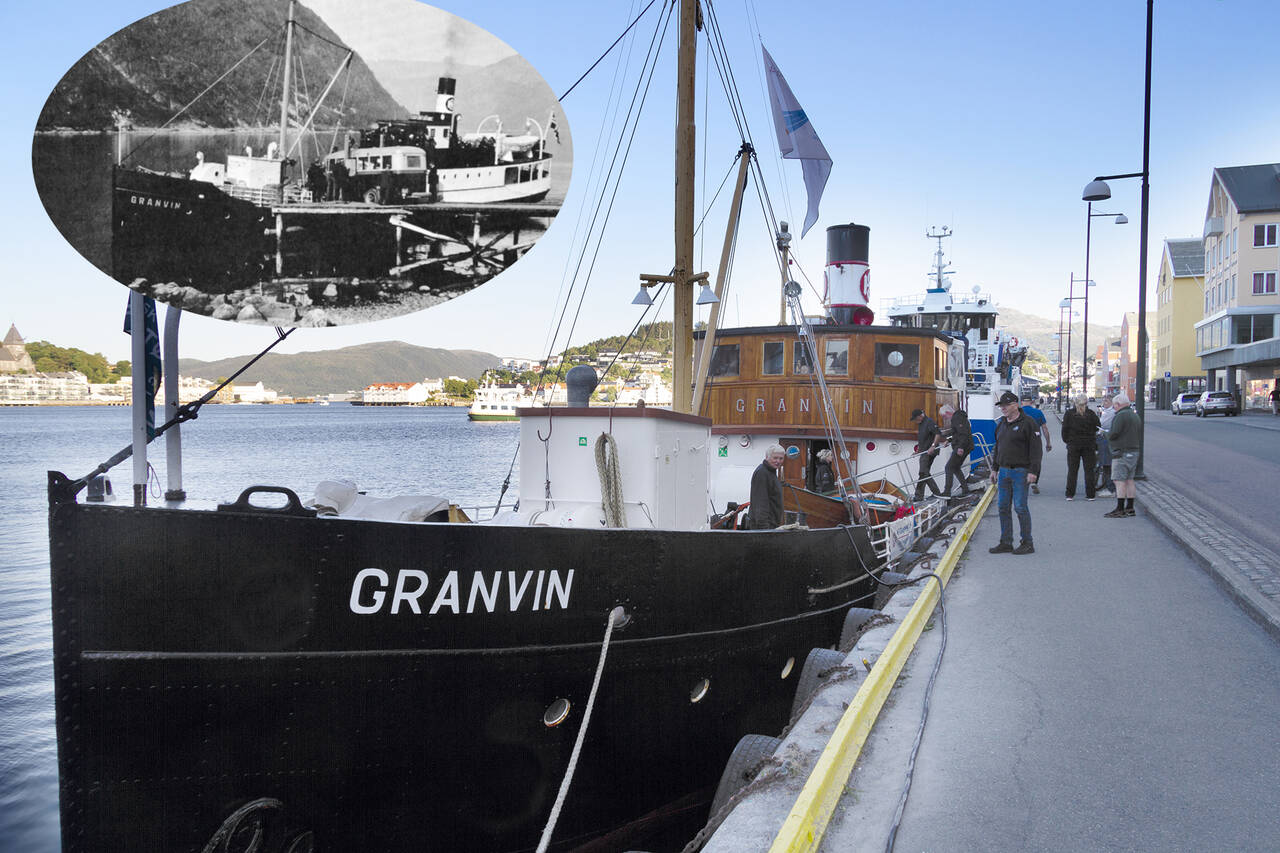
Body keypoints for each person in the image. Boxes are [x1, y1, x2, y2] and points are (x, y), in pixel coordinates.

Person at [988, 391, 1042, 555]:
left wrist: (1033, 471)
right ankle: (1006, 542)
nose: (1003, 409)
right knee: (1003, 507)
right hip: (1004, 471)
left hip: (1021, 471)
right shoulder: (1002, 424)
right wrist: (995, 468)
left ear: (1015, 405)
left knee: (1020, 507)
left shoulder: (1028, 423)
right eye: (1001, 406)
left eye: (1006, 406)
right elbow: (998, 447)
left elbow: (1036, 450)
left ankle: (1027, 542)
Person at [1105, 392, 1141, 518]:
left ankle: (1120, 508)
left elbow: (1114, 433)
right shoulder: (1134, 415)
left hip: (1122, 452)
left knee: (1119, 480)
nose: (1113, 408)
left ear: (1118, 404)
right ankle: (1130, 508)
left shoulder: (1120, 416)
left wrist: (1104, 434)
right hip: (1134, 451)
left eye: (1114, 405)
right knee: (1130, 480)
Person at [1060, 394, 1100, 501]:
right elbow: (1097, 426)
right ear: (1086, 403)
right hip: (1089, 445)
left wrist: (1067, 441)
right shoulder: (1091, 414)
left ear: (1075, 402)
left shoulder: (1069, 414)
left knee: (1072, 470)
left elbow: (1064, 430)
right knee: (1089, 470)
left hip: (1073, 445)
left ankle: (1070, 494)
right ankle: (1090, 494)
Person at [909, 409, 945, 501]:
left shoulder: (929, 422)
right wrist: (918, 451)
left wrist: (933, 446)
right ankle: (920, 496)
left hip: (929, 452)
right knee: (924, 473)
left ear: (920, 416)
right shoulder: (921, 424)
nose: (916, 421)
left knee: (923, 472)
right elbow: (923, 439)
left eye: (916, 419)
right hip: (924, 451)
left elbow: (938, 434)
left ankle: (935, 493)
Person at [939, 403, 973, 499]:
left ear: (948, 412)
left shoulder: (957, 418)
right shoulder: (959, 417)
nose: (945, 419)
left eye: (944, 416)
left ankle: (947, 492)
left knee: (948, 467)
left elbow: (963, 434)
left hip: (962, 447)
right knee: (956, 467)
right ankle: (965, 489)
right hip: (965, 446)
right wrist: (949, 440)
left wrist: (960, 447)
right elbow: (957, 434)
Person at [747, 444, 785, 529]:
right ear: (767, 457)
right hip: (763, 527)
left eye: (781, 458)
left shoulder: (771, 472)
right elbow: (760, 503)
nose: (778, 461)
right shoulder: (762, 473)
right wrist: (764, 529)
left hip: (771, 524)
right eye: (775, 458)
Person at [1019, 396, 1051, 493]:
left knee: (1021, 461)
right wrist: (1048, 443)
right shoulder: (1038, 412)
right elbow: (1045, 428)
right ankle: (1034, 482)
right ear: (1032, 402)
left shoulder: (1018, 412)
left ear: (1021, 402)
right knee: (1036, 460)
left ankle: (1022, 482)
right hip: (1035, 441)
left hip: (1020, 441)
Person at [1096, 394, 1115, 496]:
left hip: (1106, 440)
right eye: (1103, 401)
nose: (1104, 403)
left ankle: (1110, 489)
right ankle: (1108, 486)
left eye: (1106, 401)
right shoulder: (1105, 411)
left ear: (1112, 402)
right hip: (1104, 439)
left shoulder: (1111, 412)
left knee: (1107, 464)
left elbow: (1102, 424)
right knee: (1105, 465)